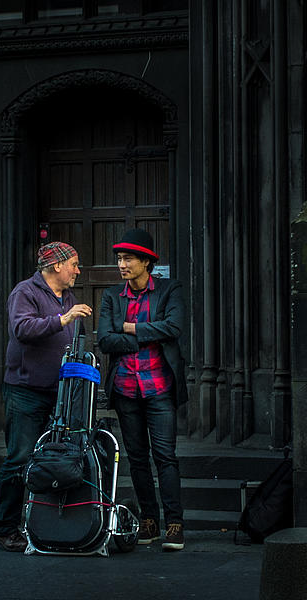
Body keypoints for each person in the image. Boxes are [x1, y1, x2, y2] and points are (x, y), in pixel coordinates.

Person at [0, 241, 92, 552]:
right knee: (19, 458)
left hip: (60, 392)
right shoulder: (26, 292)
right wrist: (62, 320)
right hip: (26, 391)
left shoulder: (67, 295)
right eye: (73, 264)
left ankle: (43, 523)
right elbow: (22, 329)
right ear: (56, 266)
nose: (78, 270)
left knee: (55, 459)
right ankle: (5, 527)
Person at [97, 229, 187, 551]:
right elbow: (105, 339)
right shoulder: (111, 296)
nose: (122, 264)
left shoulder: (168, 290)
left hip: (159, 388)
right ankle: (149, 520)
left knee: (165, 457)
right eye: (120, 259)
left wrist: (131, 328)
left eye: (128, 258)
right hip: (125, 389)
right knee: (137, 458)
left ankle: (174, 524)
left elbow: (174, 327)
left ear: (146, 261)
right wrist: (150, 334)